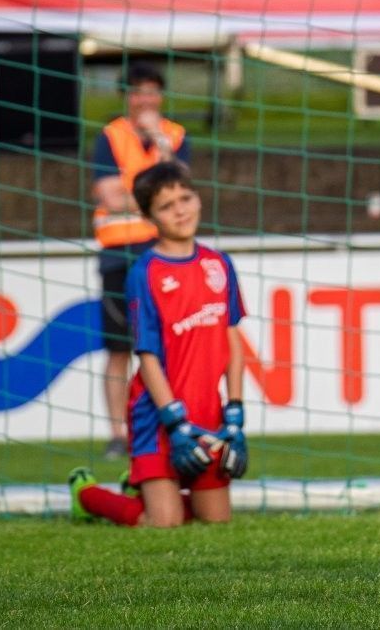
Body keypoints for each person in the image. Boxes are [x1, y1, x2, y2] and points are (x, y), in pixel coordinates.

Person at [69, 160, 249, 526]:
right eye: (167, 206)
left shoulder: (219, 264)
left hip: (208, 411)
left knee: (217, 520)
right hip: (158, 414)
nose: (180, 210)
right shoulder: (144, 273)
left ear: (198, 199)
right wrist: (173, 419)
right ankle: (87, 495)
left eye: (186, 198)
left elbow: (233, 340)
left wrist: (235, 410)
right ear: (150, 216)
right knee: (163, 523)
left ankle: (147, 486)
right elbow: (147, 356)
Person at [90, 62, 189, 459]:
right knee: (119, 349)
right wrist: (158, 197)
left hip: (164, 255)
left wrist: (158, 145)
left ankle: (167, 422)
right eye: (137, 91)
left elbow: (183, 189)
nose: (145, 99)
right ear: (126, 97)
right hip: (118, 254)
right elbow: (110, 196)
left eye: (151, 91)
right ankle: (118, 432)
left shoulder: (176, 136)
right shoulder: (110, 136)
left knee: (166, 347)